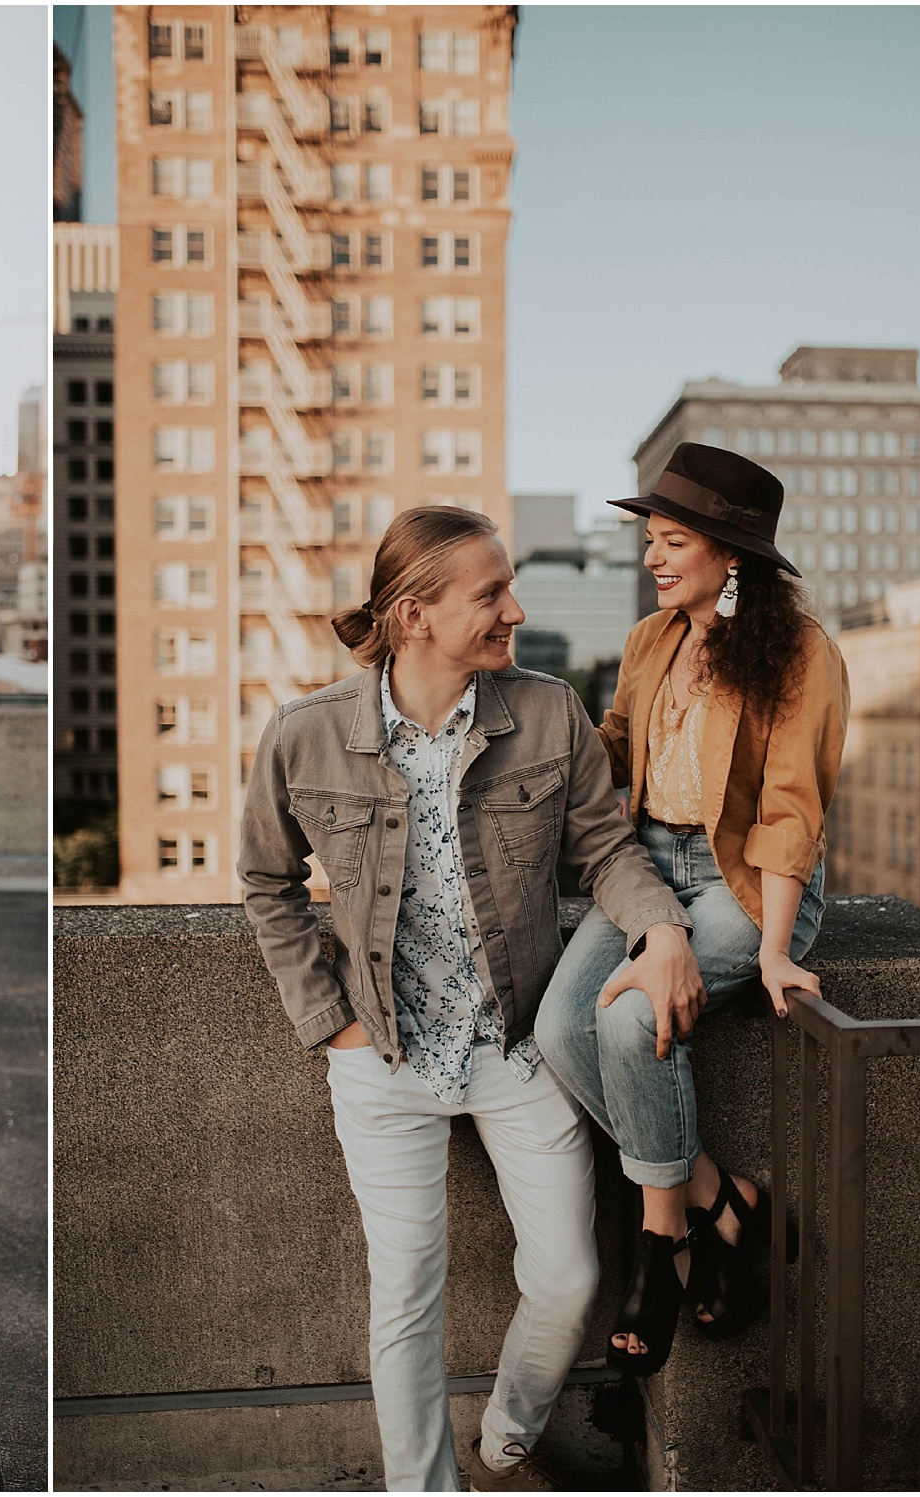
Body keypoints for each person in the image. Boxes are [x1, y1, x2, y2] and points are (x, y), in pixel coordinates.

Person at [237, 505, 704, 1492]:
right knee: (402, 1297)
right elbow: (265, 883)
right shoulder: (304, 735)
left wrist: (660, 927)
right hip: (383, 1062)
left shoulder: (544, 713)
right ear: (414, 614)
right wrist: (332, 1025)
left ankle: (508, 1432)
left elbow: (604, 852)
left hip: (516, 1046)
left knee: (568, 1278)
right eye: (489, 593)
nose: (512, 609)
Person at [535, 443, 846, 1375]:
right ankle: (722, 1196)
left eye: (673, 541)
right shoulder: (649, 639)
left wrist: (778, 947)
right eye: (652, 540)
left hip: (745, 880)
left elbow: (792, 810)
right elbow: (614, 750)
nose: (653, 559)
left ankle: (665, 1240)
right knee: (559, 1027)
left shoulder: (802, 654)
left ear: (731, 552)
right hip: (647, 868)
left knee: (638, 1017)